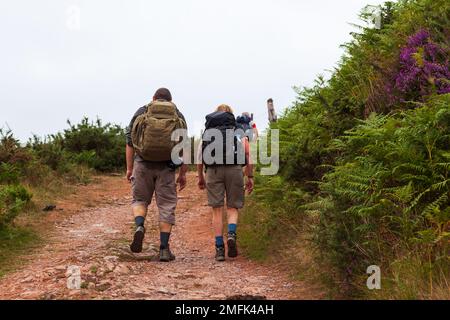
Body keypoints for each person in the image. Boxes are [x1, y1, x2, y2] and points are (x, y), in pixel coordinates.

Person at [125, 88, 188, 262]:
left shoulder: (142, 111)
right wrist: (182, 173)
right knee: (166, 206)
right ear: (170, 100)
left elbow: (130, 142)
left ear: (153, 98)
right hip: (167, 167)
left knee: (139, 200)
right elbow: (184, 147)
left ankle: (139, 226)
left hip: (142, 163)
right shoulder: (178, 114)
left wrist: (130, 168)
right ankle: (164, 249)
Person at [197, 104, 254, 261]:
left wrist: (200, 177)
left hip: (213, 170)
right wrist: (250, 176)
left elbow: (200, 156)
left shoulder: (209, 130)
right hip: (235, 169)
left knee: (217, 209)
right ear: (231, 115)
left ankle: (219, 249)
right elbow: (247, 152)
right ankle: (231, 234)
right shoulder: (238, 129)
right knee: (232, 207)